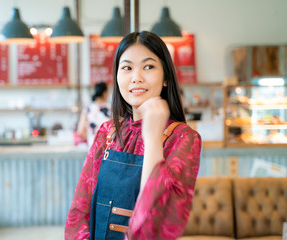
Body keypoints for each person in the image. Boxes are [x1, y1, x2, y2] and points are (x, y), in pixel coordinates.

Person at [65, 31, 202, 240]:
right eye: (127, 68)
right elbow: (79, 211)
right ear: (117, 77)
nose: (136, 77)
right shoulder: (107, 132)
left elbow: (159, 225)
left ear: (166, 78)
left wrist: (153, 137)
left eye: (148, 66)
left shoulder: (184, 138)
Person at [76, 82, 111, 147]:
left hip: (92, 146)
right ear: (105, 93)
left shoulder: (87, 109)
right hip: (108, 146)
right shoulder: (111, 109)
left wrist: (91, 137)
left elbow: (80, 130)